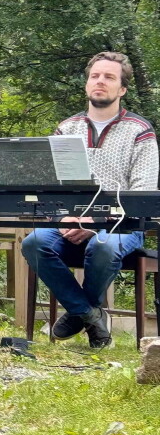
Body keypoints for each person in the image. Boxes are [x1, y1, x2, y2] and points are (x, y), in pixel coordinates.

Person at [21, 51, 158, 348]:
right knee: (33, 242)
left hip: (122, 227)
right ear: (86, 84)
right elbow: (49, 186)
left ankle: (78, 312)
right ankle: (88, 313)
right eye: (95, 76)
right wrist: (61, 218)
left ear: (121, 89)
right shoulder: (66, 129)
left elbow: (142, 194)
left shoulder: (140, 131)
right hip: (69, 222)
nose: (100, 81)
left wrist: (95, 223)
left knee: (104, 243)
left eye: (109, 77)